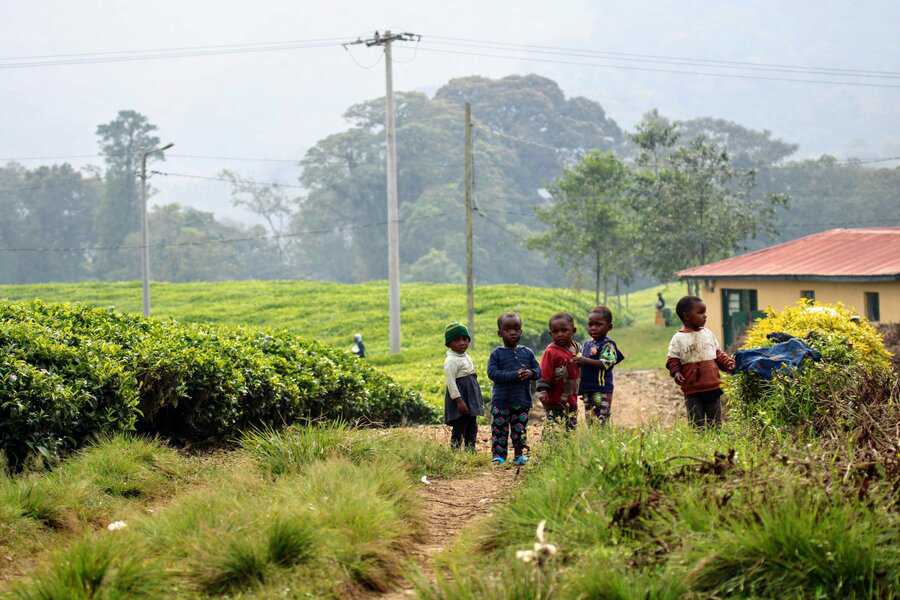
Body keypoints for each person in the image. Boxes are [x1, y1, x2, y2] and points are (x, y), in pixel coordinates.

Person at [665, 296, 736, 428]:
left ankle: (715, 439)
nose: (705, 316)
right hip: (692, 390)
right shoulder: (678, 338)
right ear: (686, 316)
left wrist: (728, 364)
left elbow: (718, 354)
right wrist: (676, 373)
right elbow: (673, 360)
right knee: (697, 423)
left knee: (715, 422)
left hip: (712, 386)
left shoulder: (708, 334)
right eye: (700, 313)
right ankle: (700, 439)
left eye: (705, 312)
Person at [487, 312, 541, 465]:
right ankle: (499, 456)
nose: (512, 332)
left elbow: (538, 371)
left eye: (516, 329)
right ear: (500, 333)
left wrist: (531, 373)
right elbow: (492, 373)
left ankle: (519, 455)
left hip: (521, 401)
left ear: (521, 332)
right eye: (507, 329)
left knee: (520, 430)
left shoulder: (528, 353)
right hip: (501, 402)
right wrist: (514, 375)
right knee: (499, 430)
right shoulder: (496, 354)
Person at [574, 306, 625, 425]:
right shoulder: (587, 344)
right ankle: (594, 437)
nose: (593, 328)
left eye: (598, 325)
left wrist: (584, 361)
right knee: (590, 418)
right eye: (590, 324)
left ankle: (602, 436)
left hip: (600, 390)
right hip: (588, 389)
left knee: (600, 418)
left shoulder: (608, 344)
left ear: (609, 327)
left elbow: (606, 363)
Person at [535, 312, 580, 430]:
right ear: (551, 334)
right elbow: (544, 372)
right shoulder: (551, 352)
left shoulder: (575, 348)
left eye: (564, 330)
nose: (560, 334)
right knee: (554, 427)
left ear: (573, 331)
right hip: (555, 400)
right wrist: (543, 391)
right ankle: (550, 442)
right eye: (555, 332)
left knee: (570, 426)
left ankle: (569, 441)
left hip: (572, 398)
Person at [443, 322, 483, 450]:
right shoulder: (451, 361)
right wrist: (459, 401)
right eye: (457, 340)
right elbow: (451, 383)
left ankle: (470, 449)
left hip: (470, 396)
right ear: (449, 344)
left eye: (465, 339)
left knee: (472, 424)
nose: (462, 343)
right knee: (460, 424)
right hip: (460, 398)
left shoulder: (466, 356)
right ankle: (454, 450)